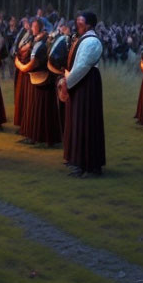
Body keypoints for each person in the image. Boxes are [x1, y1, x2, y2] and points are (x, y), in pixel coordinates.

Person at [58, 11, 106, 177]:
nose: (77, 25)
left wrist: (67, 83)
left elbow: (83, 66)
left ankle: (90, 164)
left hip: (86, 84)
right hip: (79, 83)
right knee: (77, 121)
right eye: (77, 22)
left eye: (81, 23)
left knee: (86, 122)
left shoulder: (91, 41)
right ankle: (78, 161)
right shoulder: (81, 39)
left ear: (89, 25)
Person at [17, 17, 61, 147]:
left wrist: (19, 65)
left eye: (35, 26)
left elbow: (33, 62)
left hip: (43, 80)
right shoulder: (35, 40)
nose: (33, 29)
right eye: (32, 26)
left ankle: (45, 138)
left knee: (42, 110)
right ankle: (33, 135)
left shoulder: (42, 43)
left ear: (41, 28)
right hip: (35, 78)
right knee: (33, 108)